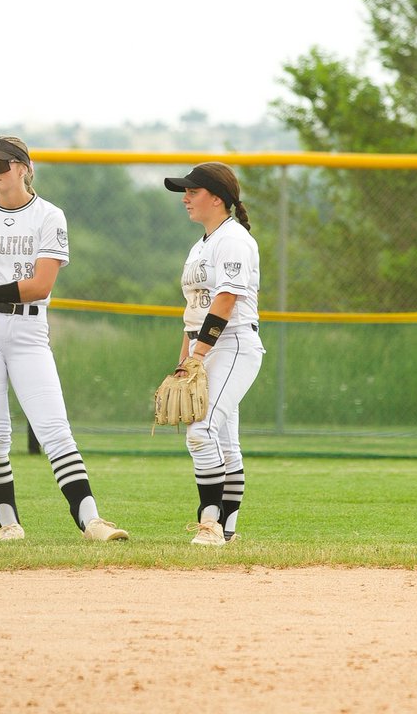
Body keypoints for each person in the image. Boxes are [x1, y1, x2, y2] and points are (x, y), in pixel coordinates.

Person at [0, 136, 129, 542]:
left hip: (29, 330)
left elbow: (40, 285)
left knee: (54, 426)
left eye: (0, 163)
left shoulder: (49, 216)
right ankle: (8, 525)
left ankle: (91, 522)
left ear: (24, 167)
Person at [163, 162, 265, 546]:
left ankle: (210, 524)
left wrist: (199, 354)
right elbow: (193, 310)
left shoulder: (234, 240)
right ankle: (228, 529)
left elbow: (225, 300)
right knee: (223, 441)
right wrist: (183, 359)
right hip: (206, 346)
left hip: (234, 344)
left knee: (200, 432)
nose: (186, 198)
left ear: (217, 198)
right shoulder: (203, 243)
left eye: (193, 191)